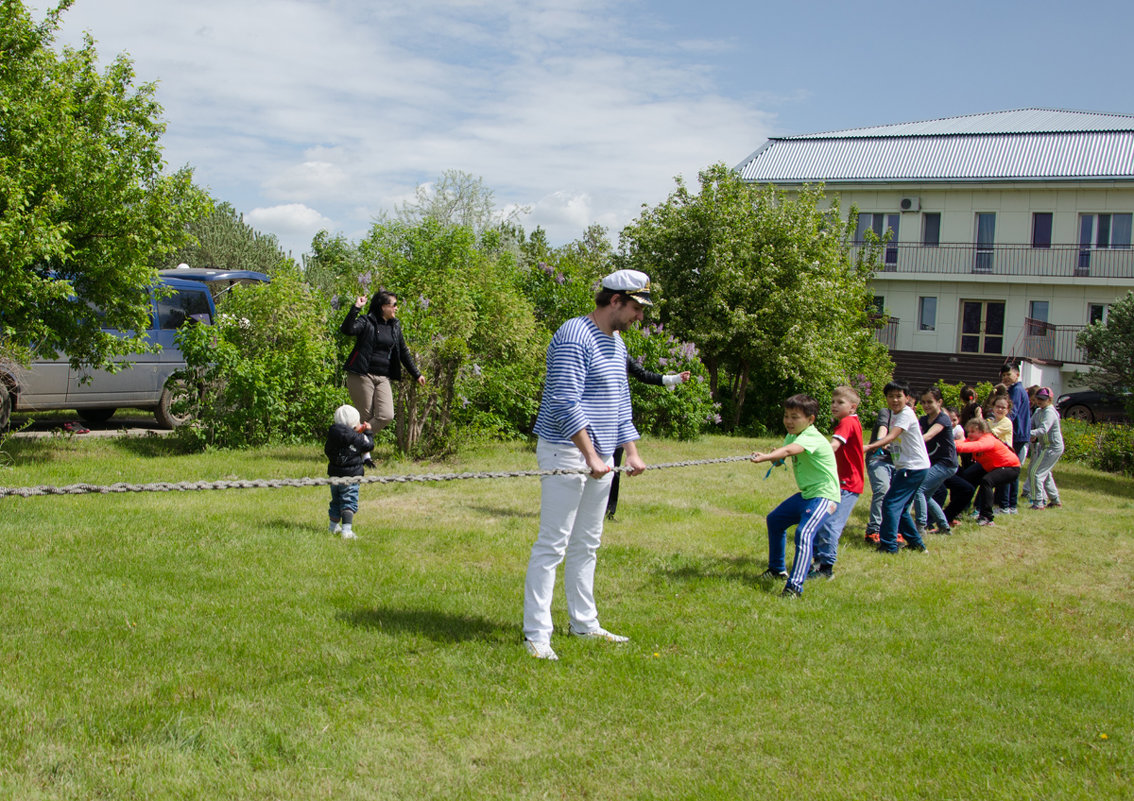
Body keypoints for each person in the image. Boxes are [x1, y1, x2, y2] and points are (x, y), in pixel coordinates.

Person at [522, 270, 651, 660]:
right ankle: (536, 635)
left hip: (602, 456)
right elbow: (564, 401)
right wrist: (591, 454)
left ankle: (583, 623)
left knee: (588, 542)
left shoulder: (615, 342)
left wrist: (629, 451)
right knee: (553, 543)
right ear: (615, 301)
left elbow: (619, 404)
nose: (639, 318)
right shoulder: (574, 336)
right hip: (567, 450)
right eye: (635, 308)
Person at [750, 394, 839, 598]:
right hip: (807, 494)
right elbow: (787, 452)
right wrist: (777, 458)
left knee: (804, 533)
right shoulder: (793, 435)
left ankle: (794, 588)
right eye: (786, 416)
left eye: (795, 417)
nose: (789, 421)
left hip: (824, 496)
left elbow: (791, 450)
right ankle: (777, 570)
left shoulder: (811, 436)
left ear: (810, 419)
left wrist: (768, 456)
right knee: (775, 520)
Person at [340, 290, 426, 465]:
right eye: (393, 304)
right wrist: (356, 308)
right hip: (362, 374)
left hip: (383, 376)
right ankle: (365, 457)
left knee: (386, 415)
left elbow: (403, 352)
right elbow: (347, 329)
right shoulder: (367, 321)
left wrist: (416, 374)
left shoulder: (395, 325)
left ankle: (350, 444)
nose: (396, 308)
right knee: (366, 416)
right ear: (383, 307)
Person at [605, 358, 690, 519]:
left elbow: (643, 374)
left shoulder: (621, 353)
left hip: (616, 423)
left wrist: (675, 379)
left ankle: (609, 512)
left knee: (614, 470)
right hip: (593, 424)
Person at [864, 381, 930, 554]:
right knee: (900, 509)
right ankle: (917, 545)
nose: (895, 400)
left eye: (899, 396)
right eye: (891, 396)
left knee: (890, 504)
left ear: (907, 398)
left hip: (913, 468)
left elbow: (892, 435)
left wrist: (870, 447)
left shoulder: (905, 414)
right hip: (912, 467)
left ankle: (888, 545)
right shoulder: (894, 414)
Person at [810, 386, 865, 579]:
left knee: (830, 524)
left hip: (847, 484)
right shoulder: (850, 421)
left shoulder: (847, 422)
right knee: (821, 520)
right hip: (841, 483)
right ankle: (817, 562)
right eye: (833, 402)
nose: (834, 405)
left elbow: (834, 445)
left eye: (840, 402)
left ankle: (826, 568)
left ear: (852, 407)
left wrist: (812, 452)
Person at [948, 418, 1021, 527]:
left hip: (1010, 467)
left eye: (973, 431)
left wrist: (950, 445)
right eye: (968, 431)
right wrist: (947, 442)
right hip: (991, 466)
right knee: (965, 480)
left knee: (986, 481)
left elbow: (972, 447)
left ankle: (987, 517)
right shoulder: (973, 439)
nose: (969, 434)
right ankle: (953, 513)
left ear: (982, 432)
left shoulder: (988, 439)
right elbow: (963, 443)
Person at [324, 404, 374, 540]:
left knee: (336, 501)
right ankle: (347, 531)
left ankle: (333, 527)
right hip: (351, 476)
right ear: (353, 424)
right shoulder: (355, 437)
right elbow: (369, 445)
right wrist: (368, 432)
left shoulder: (332, 435)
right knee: (348, 501)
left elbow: (327, 450)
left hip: (334, 475)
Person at [914, 387, 958, 536]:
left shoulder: (943, 419)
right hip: (934, 463)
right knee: (926, 496)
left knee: (919, 489)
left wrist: (914, 441)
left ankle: (920, 527)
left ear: (939, 402)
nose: (926, 405)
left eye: (930, 402)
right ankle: (944, 527)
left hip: (947, 464)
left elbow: (928, 436)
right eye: (923, 402)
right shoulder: (923, 419)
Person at [999, 363, 1032, 514]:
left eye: (1008, 375)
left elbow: (1012, 412)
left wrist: (998, 423)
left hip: (1016, 437)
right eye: (1003, 375)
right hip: (1018, 436)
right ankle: (1010, 505)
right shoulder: (1014, 390)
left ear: (1017, 375)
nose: (1005, 378)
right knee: (1012, 472)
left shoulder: (1016, 391)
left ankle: (1007, 506)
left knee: (1009, 472)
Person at [1027, 387, 1064, 510]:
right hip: (1045, 446)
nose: (1039, 401)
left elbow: (1043, 430)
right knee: (1045, 474)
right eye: (1038, 399)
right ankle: (1055, 500)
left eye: (1043, 399)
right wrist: (1031, 433)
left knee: (1035, 473)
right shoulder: (1038, 411)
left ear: (1050, 399)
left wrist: (1028, 434)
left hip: (1052, 447)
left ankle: (1038, 502)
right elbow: (1031, 424)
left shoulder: (1049, 412)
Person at [863, 404, 895, 544]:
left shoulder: (908, 417)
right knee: (882, 489)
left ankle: (892, 529)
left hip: (899, 462)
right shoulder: (886, 412)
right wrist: (881, 440)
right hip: (878, 457)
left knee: (897, 496)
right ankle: (873, 530)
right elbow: (883, 427)